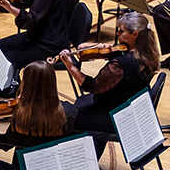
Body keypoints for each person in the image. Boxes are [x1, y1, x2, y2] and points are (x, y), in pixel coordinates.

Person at [64, 11, 161, 151]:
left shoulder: (121, 64)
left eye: (121, 32)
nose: (117, 34)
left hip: (112, 115)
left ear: (135, 34)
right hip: (127, 108)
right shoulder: (147, 53)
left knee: (69, 116)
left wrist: (70, 66)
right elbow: (81, 48)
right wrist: (99, 47)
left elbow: (91, 86)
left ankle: (85, 154)